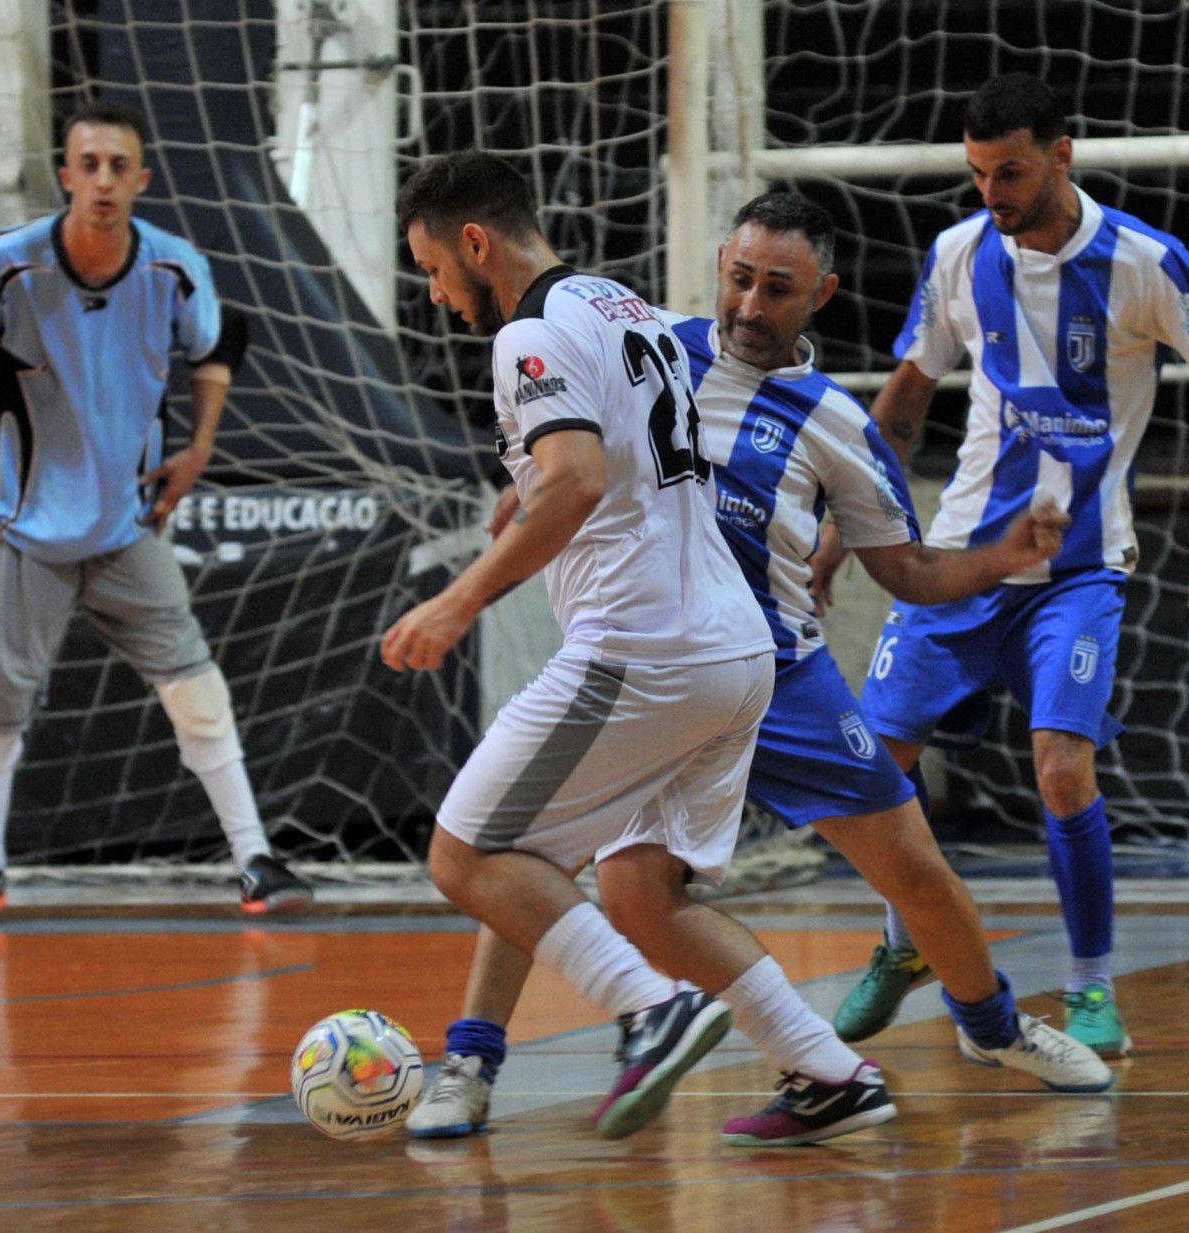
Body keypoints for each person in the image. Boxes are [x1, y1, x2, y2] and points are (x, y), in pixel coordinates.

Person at [403, 192, 1114, 1143]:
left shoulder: (832, 421)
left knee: (912, 870)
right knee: (552, 855)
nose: (748, 304)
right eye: (738, 278)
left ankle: (990, 1026)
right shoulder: (652, 338)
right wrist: (518, 487)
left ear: (818, 294)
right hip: (676, 657)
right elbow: (569, 426)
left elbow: (904, 570)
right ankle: (478, 1054)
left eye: (776, 289)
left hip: (773, 668)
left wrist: (999, 559)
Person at [384, 152, 908, 1148]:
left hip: (643, 648)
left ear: (475, 244)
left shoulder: (527, 334)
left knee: (463, 852)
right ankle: (828, 1071)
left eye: (432, 267)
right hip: (731, 649)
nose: (434, 290)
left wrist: (457, 598)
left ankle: (647, 1009)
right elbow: (596, 458)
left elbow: (577, 477)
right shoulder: (621, 305)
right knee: (638, 892)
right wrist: (531, 484)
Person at [842, 74, 1189, 1056]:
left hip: (1078, 569)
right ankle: (904, 945)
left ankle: (1088, 988)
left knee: (1061, 770)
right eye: (979, 173)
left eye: (1012, 172)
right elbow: (903, 400)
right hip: (962, 558)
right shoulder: (956, 253)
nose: (993, 192)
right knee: (872, 769)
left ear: (1062, 154)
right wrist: (841, 526)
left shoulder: (1144, 263)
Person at [0, 100, 312, 920]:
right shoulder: (7, 264)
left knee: (196, 687)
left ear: (142, 178)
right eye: (88, 164)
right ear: (65, 176)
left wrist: (200, 446)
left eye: (118, 166)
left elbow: (219, 345)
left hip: (127, 524)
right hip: (22, 524)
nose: (103, 180)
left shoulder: (174, 267)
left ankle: (256, 859)